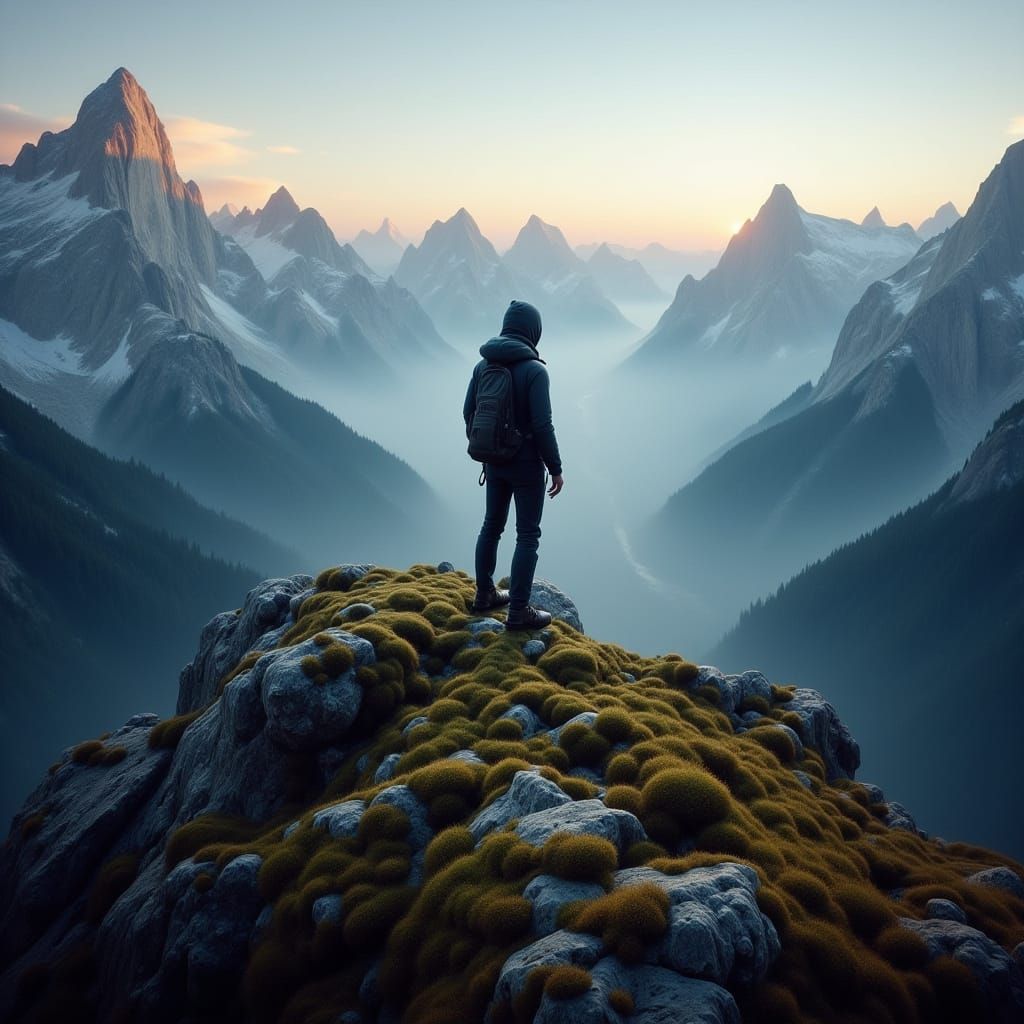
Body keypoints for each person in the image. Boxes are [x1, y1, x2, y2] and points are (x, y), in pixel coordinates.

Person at [464, 300, 564, 630]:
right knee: (527, 535)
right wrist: (556, 467)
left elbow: (469, 412)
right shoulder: (535, 371)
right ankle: (519, 611)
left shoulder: (483, 366)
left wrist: (490, 446)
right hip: (526, 468)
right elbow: (542, 425)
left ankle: (484, 595)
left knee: (491, 525)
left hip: (493, 462)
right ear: (533, 332)